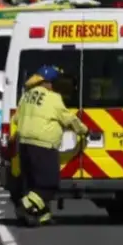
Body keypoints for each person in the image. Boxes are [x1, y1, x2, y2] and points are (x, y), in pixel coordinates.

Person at [10, 65, 89, 226]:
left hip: (24, 144)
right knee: (49, 184)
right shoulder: (53, 98)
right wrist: (84, 130)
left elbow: (17, 119)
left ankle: (42, 215)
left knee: (33, 183)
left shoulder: (26, 96)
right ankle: (24, 204)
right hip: (43, 146)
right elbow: (68, 118)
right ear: (49, 82)